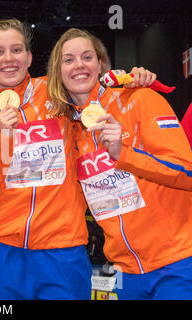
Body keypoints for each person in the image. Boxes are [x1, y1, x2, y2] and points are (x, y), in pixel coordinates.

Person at [0, 18, 154, 300]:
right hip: (2, 251)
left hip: (62, 250)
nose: (8, 59)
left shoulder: (57, 92)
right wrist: (1, 141)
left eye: (16, 50)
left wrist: (133, 79)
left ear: (29, 57)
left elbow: (93, 81)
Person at [46, 27, 192, 299]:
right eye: (68, 60)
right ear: (58, 71)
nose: (78, 65)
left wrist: (123, 154)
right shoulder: (70, 131)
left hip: (177, 262)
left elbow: (187, 171)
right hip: (125, 273)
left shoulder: (140, 99)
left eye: (87, 57)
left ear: (101, 64)